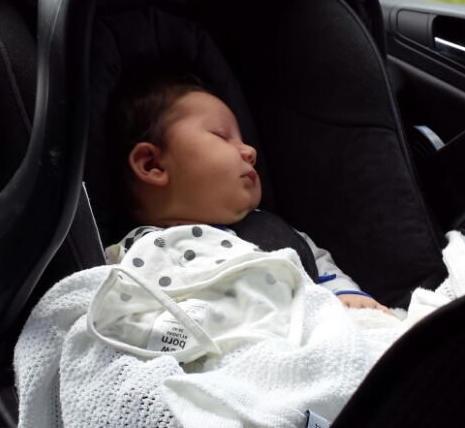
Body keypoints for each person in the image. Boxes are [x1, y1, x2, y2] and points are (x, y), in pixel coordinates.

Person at [105, 70, 396, 316]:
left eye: (243, 139)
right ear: (153, 165)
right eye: (222, 136)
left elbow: (321, 268)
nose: (250, 151)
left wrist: (346, 296)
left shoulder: (278, 234)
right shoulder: (133, 257)